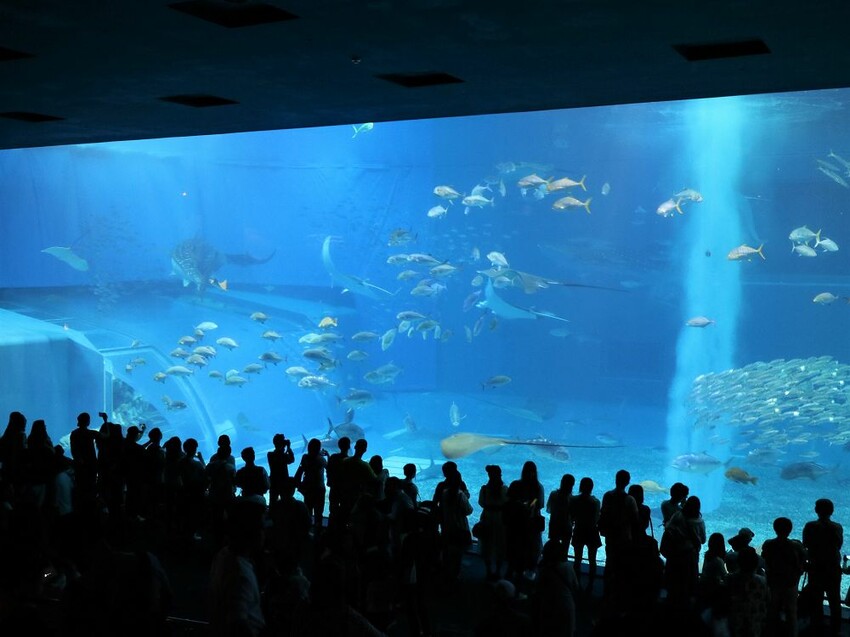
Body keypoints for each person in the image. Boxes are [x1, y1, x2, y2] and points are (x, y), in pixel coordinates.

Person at [802, 498, 843, 634]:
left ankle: (816, 627)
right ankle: (835, 629)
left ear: (816, 510)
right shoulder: (837, 527)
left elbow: (806, 544)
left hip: (815, 567)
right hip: (832, 568)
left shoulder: (810, 526)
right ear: (832, 511)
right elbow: (838, 545)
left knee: (816, 599)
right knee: (835, 599)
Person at [761, 516, 806, 637]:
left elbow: (765, 558)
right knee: (791, 612)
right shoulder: (796, 546)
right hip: (790, 583)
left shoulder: (768, 544)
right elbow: (802, 561)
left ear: (774, 529)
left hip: (773, 583)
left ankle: (770, 633)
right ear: (790, 530)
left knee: (772, 610)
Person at [532, 539, 579, 636]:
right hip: (566, 606)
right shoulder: (568, 567)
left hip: (548, 607)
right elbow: (575, 587)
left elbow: (538, 590)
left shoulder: (543, 570)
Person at [726, 546, 769, 637]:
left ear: (738, 562)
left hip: (735, 623)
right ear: (756, 563)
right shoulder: (763, 581)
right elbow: (767, 601)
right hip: (755, 623)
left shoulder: (730, 579)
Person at [478, 464, 508, 581]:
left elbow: (481, 503)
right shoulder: (505, 488)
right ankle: (498, 571)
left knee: (487, 544)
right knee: (500, 544)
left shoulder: (484, 489)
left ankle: (489, 570)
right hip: (501, 519)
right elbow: (507, 503)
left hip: (487, 517)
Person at [570, 476, 601, 592]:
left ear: (580, 487)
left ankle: (576, 583)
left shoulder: (574, 500)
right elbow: (597, 519)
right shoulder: (595, 502)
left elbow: (572, 516)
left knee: (577, 559)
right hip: (592, 532)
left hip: (578, 530)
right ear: (592, 488)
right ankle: (591, 584)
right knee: (592, 559)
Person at [293, 438, 328, 530]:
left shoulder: (305, 457)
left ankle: (306, 530)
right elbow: (329, 467)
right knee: (318, 512)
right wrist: (328, 455)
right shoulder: (322, 460)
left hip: (308, 488)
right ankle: (318, 530)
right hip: (319, 489)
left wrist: (298, 484)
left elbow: (301, 469)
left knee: (308, 510)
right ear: (319, 448)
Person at [546, 473, 574, 548]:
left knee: (553, 546)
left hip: (554, 524)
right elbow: (573, 515)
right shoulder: (572, 499)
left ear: (561, 482)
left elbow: (549, 509)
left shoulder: (553, 494)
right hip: (566, 526)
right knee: (565, 547)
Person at [267, 433, 294, 505]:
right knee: (285, 503)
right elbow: (292, 459)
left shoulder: (270, 455)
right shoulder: (283, 456)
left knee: (272, 503)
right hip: (284, 482)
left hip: (273, 482)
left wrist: (283, 447)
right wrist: (288, 448)